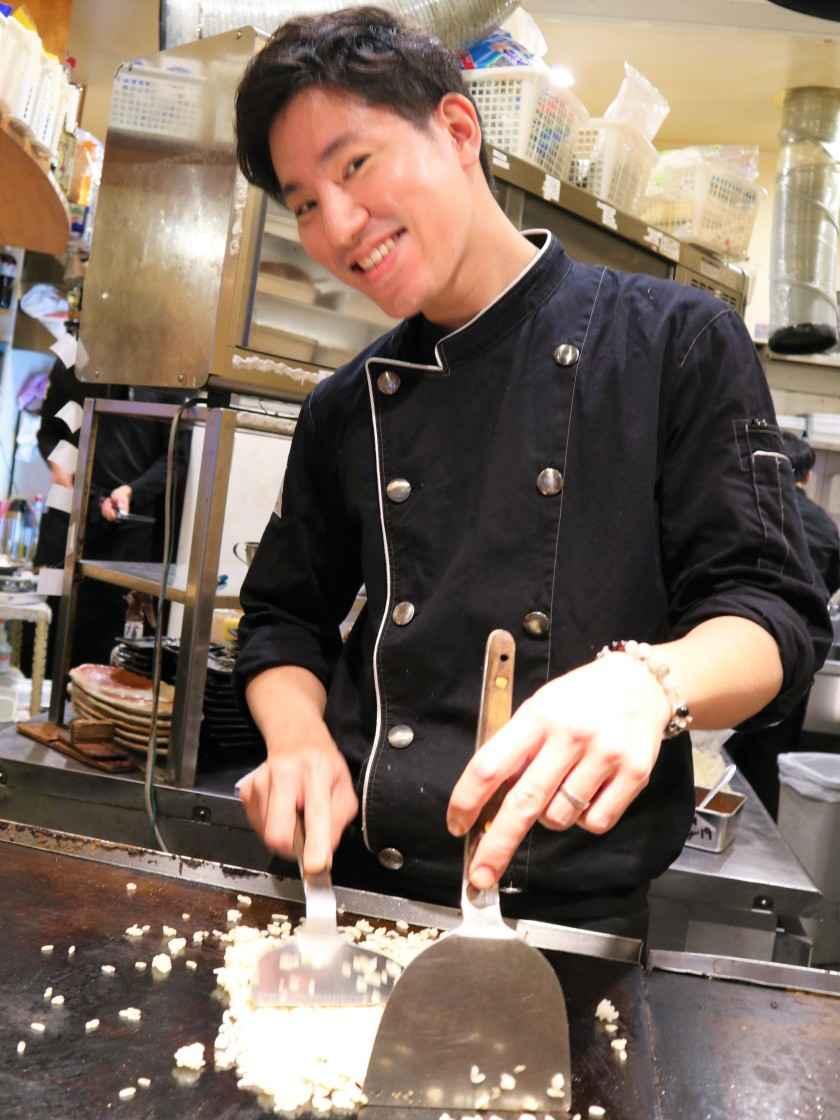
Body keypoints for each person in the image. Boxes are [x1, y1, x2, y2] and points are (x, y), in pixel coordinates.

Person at [231, 7, 830, 938]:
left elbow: (772, 615)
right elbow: (281, 620)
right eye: (304, 202)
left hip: (570, 923)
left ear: (459, 131)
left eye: (354, 166)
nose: (338, 225)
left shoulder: (672, 342)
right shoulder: (344, 407)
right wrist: (299, 738)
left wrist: (650, 682)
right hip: (349, 894)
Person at [35, 353, 190, 667]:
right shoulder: (72, 359)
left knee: (109, 649)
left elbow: (176, 458)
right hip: (68, 519)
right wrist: (62, 468)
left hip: (128, 530)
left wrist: (131, 491)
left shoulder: (170, 368)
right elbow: (49, 432)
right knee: (47, 635)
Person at [727, 430, 840, 817]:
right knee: (772, 753)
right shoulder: (824, 525)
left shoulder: (750, 508)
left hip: (736, 642)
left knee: (719, 747)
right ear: (806, 476)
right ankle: (756, 826)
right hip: (796, 656)